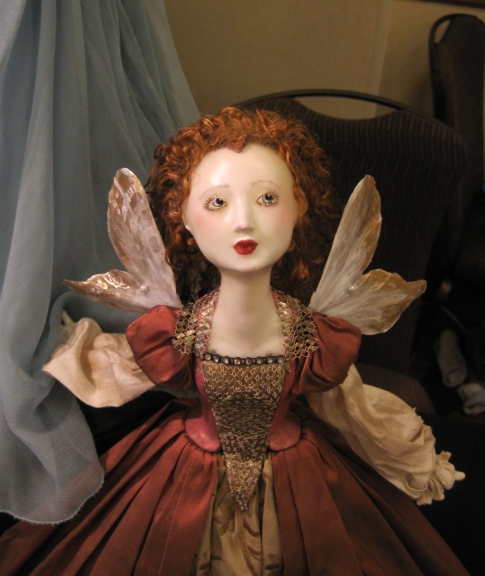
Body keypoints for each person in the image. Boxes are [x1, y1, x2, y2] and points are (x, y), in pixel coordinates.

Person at [0, 108, 468, 575]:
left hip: (298, 475)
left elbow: (349, 403)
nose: (243, 221)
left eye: (267, 198)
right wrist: (70, 353)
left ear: (299, 208)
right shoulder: (179, 332)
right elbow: (122, 368)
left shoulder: (312, 335)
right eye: (217, 202)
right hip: (185, 470)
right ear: (183, 218)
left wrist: (405, 451)